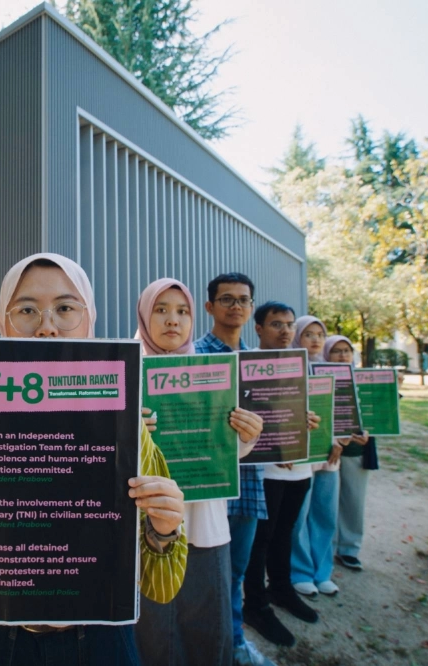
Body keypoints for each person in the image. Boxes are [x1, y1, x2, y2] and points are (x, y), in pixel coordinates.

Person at [0, 253, 187, 666]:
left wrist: (163, 529)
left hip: (97, 641)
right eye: (27, 309)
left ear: (89, 318)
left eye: (65, 308)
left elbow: (157, 585)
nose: (46, 325)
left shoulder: (125, 426)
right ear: (3, 321)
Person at [133, 278, 263, 666]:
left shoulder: (215, 373)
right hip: (147, 529)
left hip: (205, 528)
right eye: (161, 309)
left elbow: (225, 449)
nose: (172, 320)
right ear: (143, 315)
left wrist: (246, 435)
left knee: (205, 625)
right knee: (153, 629)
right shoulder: (125, 371)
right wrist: (129, 431)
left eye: (182, 311)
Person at [193, 273, 274, 666]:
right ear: (209, 307)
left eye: (243, 299)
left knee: (237, 575)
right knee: (204, 577)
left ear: (251, 307)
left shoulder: (261, 363)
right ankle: (205, 648)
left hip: (249, 483)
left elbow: (273, 421)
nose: (235, 306)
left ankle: (235, 645)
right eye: (226, 299)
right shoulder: (191, 356)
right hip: (205, 485)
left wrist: (300, 428)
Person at [243, 302, 322, 648]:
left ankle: (282, 590)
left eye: (290, 324)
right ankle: (256, 605)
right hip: (266, 470)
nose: (286, 330)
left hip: (299, 468)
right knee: (260, 540)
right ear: (258, 328)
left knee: (285, 533)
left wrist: (311, 421)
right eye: (277, 324)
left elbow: (315, 411)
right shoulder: (245, 366)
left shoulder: (304, 366)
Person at [289, 316, 344, 598]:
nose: (315, 339)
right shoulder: (289, 369)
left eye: (320, 334)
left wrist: (341, 440)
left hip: (330, 453)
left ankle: (323, 573)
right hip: (301, 454)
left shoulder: (335, 370)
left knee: (325, 513)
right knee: (299, 516)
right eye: (308, 333)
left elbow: (345, 413)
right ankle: (300, 572)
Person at [326, 336, 375, 573]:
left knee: (354, 502)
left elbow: (379, 413)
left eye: (347, 350)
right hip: (327, 452)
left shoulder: (365, 380)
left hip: (355, 450)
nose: (343, 355)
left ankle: (349, 549)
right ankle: (328, 548)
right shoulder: (318, 377)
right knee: (327, 505)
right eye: (336, 351)